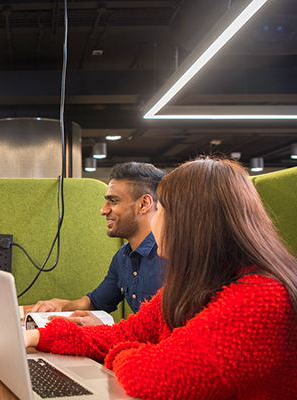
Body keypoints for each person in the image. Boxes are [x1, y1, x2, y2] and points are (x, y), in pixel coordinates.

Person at [24, 156, 297, 399]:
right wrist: (35, 337)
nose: (155, 221)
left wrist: (130, 350)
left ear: (192, 222)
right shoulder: (191, 285)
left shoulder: (260, 297)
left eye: (162, 210)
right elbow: (122, 334)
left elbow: (150, 377)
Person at [28, 162, 165, 326]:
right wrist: (63, 305)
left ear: (143, 204)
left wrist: (107, 330)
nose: (103, 210)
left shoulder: (170, 254)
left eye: (113, 201)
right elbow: (96, 302)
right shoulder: (123, 256)